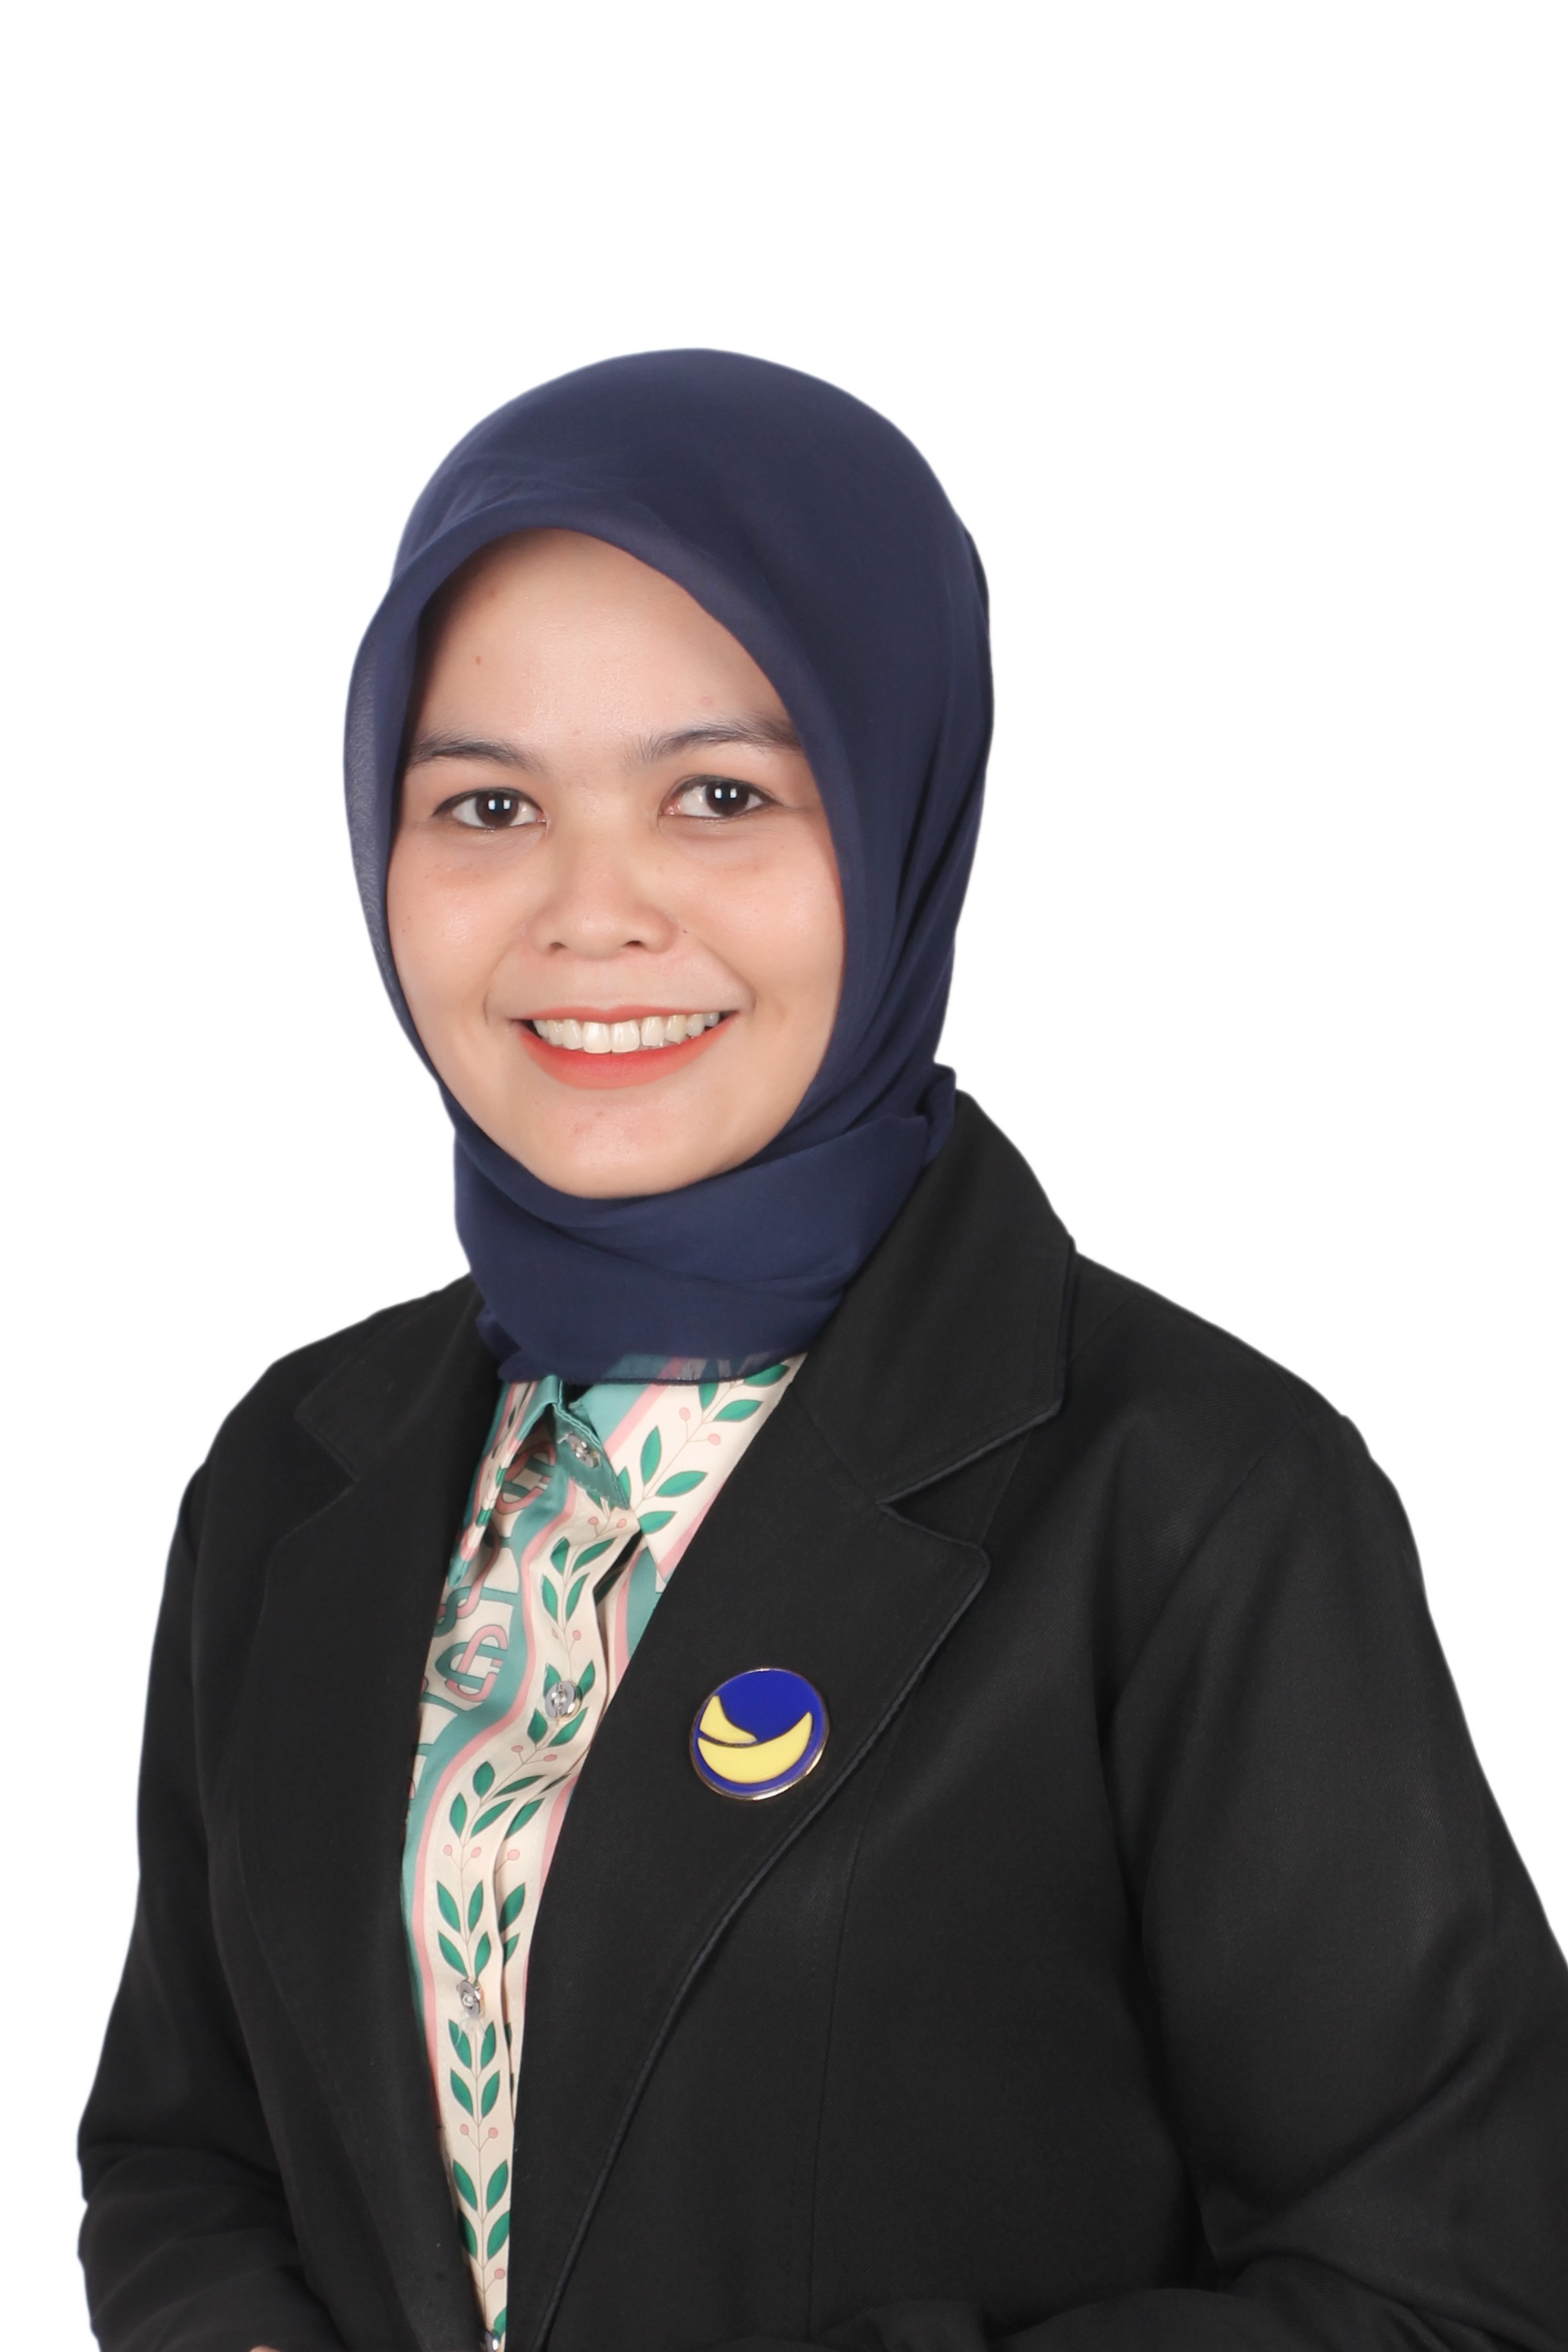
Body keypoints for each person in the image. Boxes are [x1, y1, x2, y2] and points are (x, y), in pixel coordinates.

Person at [78, 351, 1568, 2352]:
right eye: (488, 805)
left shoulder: (1195, 1500)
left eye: (719, 796)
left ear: (897, 812)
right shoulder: (294, 1471)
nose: (589, 914)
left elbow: (1452, 2294)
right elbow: (187, 2157)